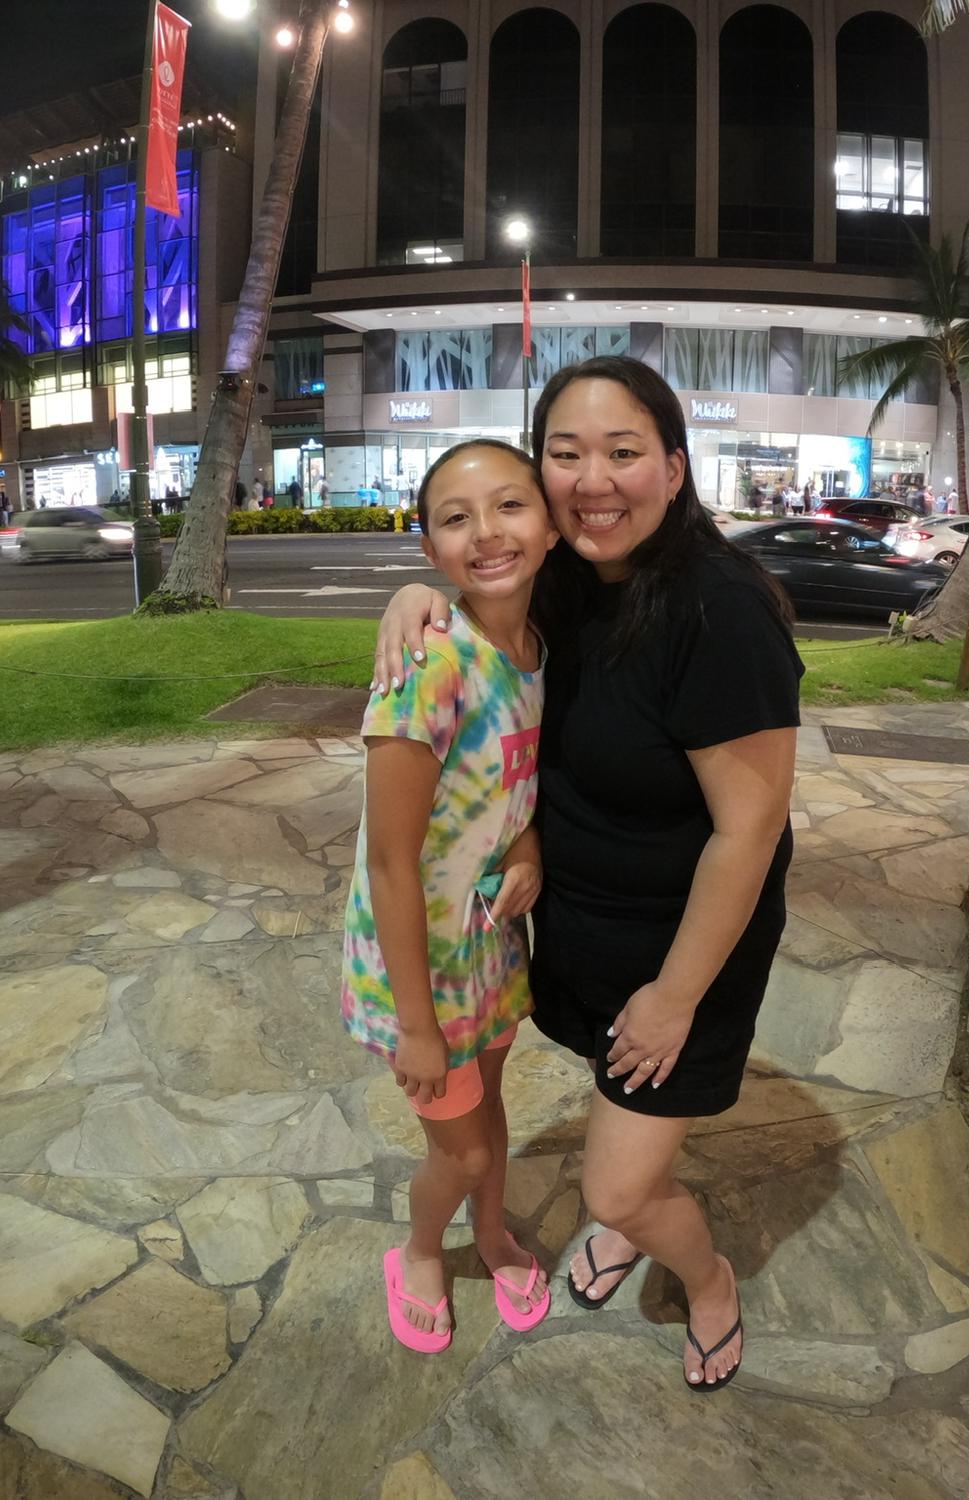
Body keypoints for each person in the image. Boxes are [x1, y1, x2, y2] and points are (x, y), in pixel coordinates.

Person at [373, 356, 802, 1390]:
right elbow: (486, 619)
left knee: (614, 1190)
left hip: (684, 946)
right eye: (566, 454)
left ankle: (706, 1280)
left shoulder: (719, 611)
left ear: (675, 468)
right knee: (625, 1134)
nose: (593, 479)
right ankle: (637, 1209)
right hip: (584, 927)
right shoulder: (568, 585)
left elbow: (750, 832)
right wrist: (412, 596)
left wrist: (676, 995)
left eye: (623, 452)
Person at [346, 438, 560, 1355]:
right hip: (415, 964)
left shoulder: (542, 652)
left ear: (550, 524)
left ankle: (493, 1233)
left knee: (491, 1108)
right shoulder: (430, 665)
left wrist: (528, 844)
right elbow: (391, 863)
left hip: (489, 940)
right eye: (456, 518)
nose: (487, 533)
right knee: (461, 1147)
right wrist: (416, 1025)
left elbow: (514, 785)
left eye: (510, 505)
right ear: (429, 548)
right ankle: (422, 1250)